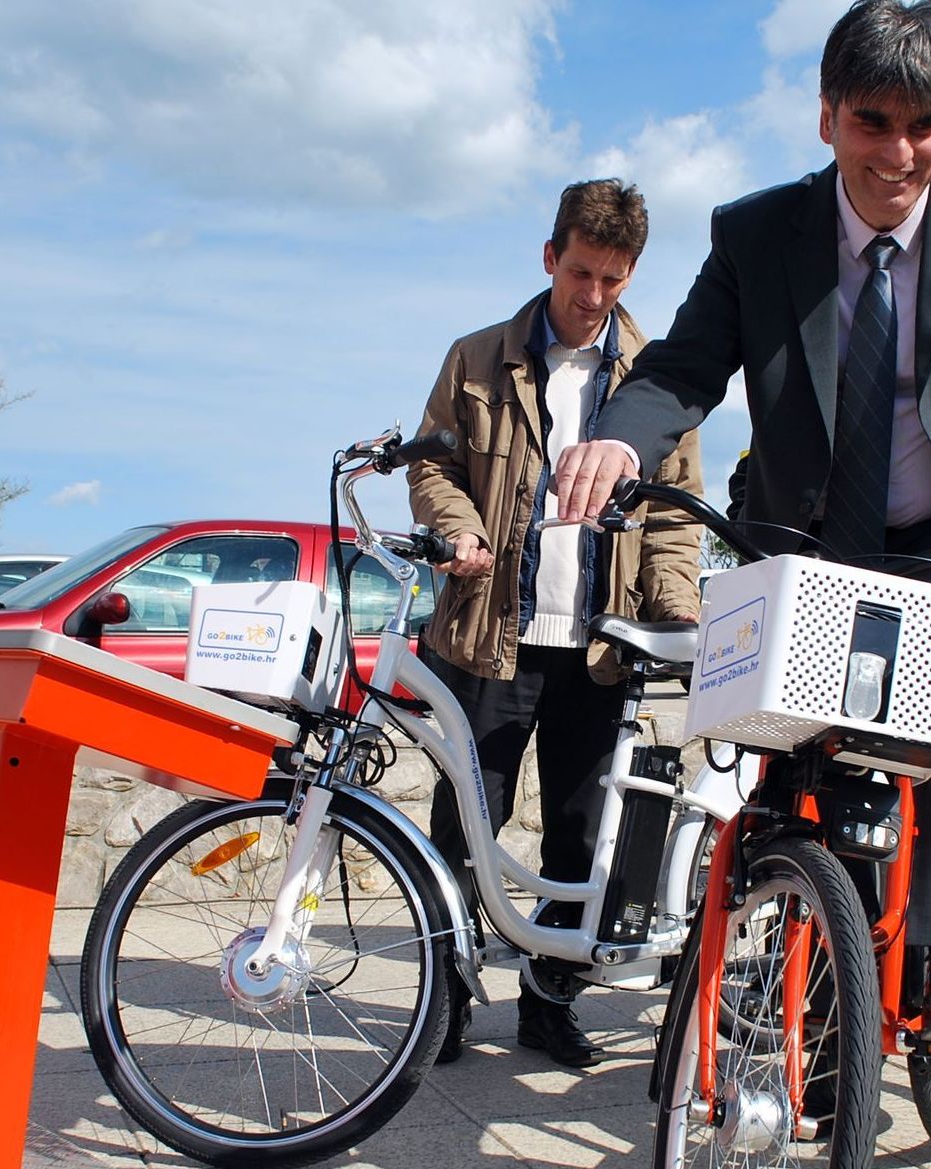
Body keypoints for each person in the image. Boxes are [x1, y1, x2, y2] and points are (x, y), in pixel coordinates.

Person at [554, 0, 931, 1043]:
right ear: (825, 118)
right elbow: (679, 368)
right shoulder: (758, 233)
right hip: (800, 542)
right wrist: (619, 439)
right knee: (774, 756)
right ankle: (786, 936)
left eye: (923, 123)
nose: (897, 153)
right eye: (870, 121)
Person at [408, 178, 705, 1068]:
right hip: (489, 642)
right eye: (581, 272)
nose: (593, 295)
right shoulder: (475, 358)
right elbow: (430, 469)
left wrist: (678, 606)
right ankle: (444, 1003)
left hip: (600, 652)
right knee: (465, 826)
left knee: (585, 838)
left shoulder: (658, 379)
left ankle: (548, 1003)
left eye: (613, 280)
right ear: (550, 257)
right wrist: (455, 525)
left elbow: (675, 513)